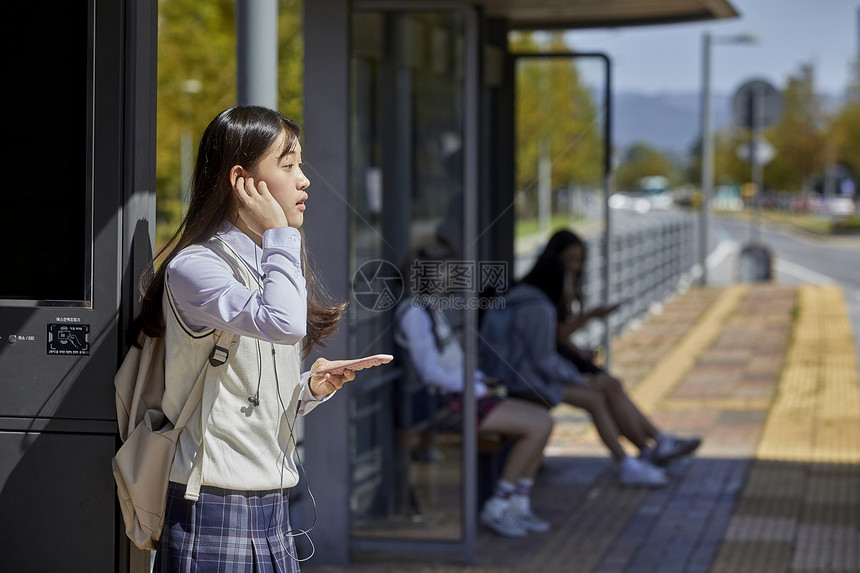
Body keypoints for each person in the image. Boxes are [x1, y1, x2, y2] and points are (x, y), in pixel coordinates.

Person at [131, 106, 356, 572]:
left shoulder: (266, 263)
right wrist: (279, 233)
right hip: (212, 503)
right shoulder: (197, 266)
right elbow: (284, 323)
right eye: (289, 165)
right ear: (244, 180)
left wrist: (308, 390)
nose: (304, 181)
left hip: (270, 506)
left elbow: (242, 395)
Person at [480, 253, 698, 488]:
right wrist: (578, 379)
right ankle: (632, 459)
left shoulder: (521, 300)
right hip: (525, 381)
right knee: (582, 403)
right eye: (570, 274)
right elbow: (544, 359)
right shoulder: (538, 307)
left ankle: (515, 499)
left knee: (592, 395)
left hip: (518, 377)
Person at [395, 246, 554, 538]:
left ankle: (517, 502)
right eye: (445, 273)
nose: (451, 279)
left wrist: (479, 378)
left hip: (460, 395)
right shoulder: (415, 314)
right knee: (538, 425)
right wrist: (477, 386)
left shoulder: (430, 308)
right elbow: (429, 372)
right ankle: (499, 504)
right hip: (444, 405)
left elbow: (450, 362)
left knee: (543, 419)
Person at [541, 230, 701, 470]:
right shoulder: (544, 291)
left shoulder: (564, 285)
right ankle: (649, 448)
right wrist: (591, 316)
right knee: (604, 389)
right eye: (569, 259)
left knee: (611, 385)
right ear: (554, 258)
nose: (575, 266)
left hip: (560, 359)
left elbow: (556, 336)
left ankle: (654, 444)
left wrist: (578, 350)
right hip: (546, 367)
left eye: (579, 260)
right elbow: (553, 335)